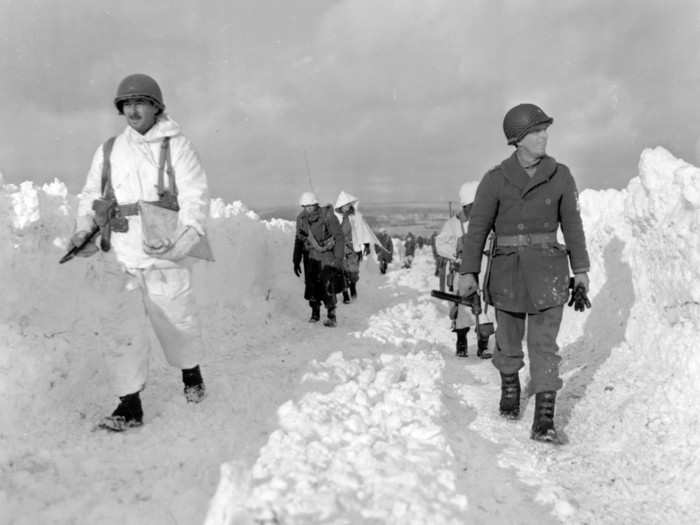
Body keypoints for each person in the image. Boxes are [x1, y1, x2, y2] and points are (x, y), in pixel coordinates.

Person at [69, 73, 211, 432]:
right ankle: (129, 403)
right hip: (119, 251)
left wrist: (191, 230)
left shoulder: (176, 145)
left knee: (175, 317)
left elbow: (195, 193)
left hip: (164, 246)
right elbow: (91, 194)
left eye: (140, 103)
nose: (133, 110)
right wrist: (82, 228)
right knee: (122, 327)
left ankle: (190, 372)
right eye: (127, 104)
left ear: (155, 107)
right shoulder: (109, 149)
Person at [458, 103, 590, 443]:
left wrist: (582, 271)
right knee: (508, 340)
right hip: (507, 271)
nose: (544, 136)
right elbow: (477, 231)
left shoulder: (561, 175)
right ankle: (510, 388)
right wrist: (469, 272)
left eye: (545, 130)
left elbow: (573, 228)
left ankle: (544, 418)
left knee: (544, 345)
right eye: (536, 131)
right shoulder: (494, 180)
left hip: (549, 270)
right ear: (517, 140)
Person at [436, 182, 494, 359]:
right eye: (472, 207)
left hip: (484, 270)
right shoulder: (453, 224)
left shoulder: (488, 222)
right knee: (462, 308)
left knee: (485, 308)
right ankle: (461, 343)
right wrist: (456, 249)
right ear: (466, 206)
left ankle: (483, 346)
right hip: (462, 272)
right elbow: (440, 244)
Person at [293, 192, 345, 326]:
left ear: (316, 204)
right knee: (311, 285)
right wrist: (296, 259)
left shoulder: (327, 216)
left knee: (328, 285)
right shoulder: (301, 219)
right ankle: (315, 312)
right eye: (305, 206)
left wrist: (338, 258)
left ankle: (331, 314)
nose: (308, 208)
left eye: (311, 205)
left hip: (326, 256)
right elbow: (299, 240)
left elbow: (339, 237)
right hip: (310, 257)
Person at [334, 191, 380, 303]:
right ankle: (345, 294)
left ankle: (353, 286)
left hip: (353, 248)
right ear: (340, 205)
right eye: (344, 205)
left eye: (348, 204)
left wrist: (366, 244)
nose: (346, 207)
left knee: (353, 271)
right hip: (340, 249)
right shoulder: (336, 217)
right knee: (342, 271)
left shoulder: (356, 216)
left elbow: (363, 230)